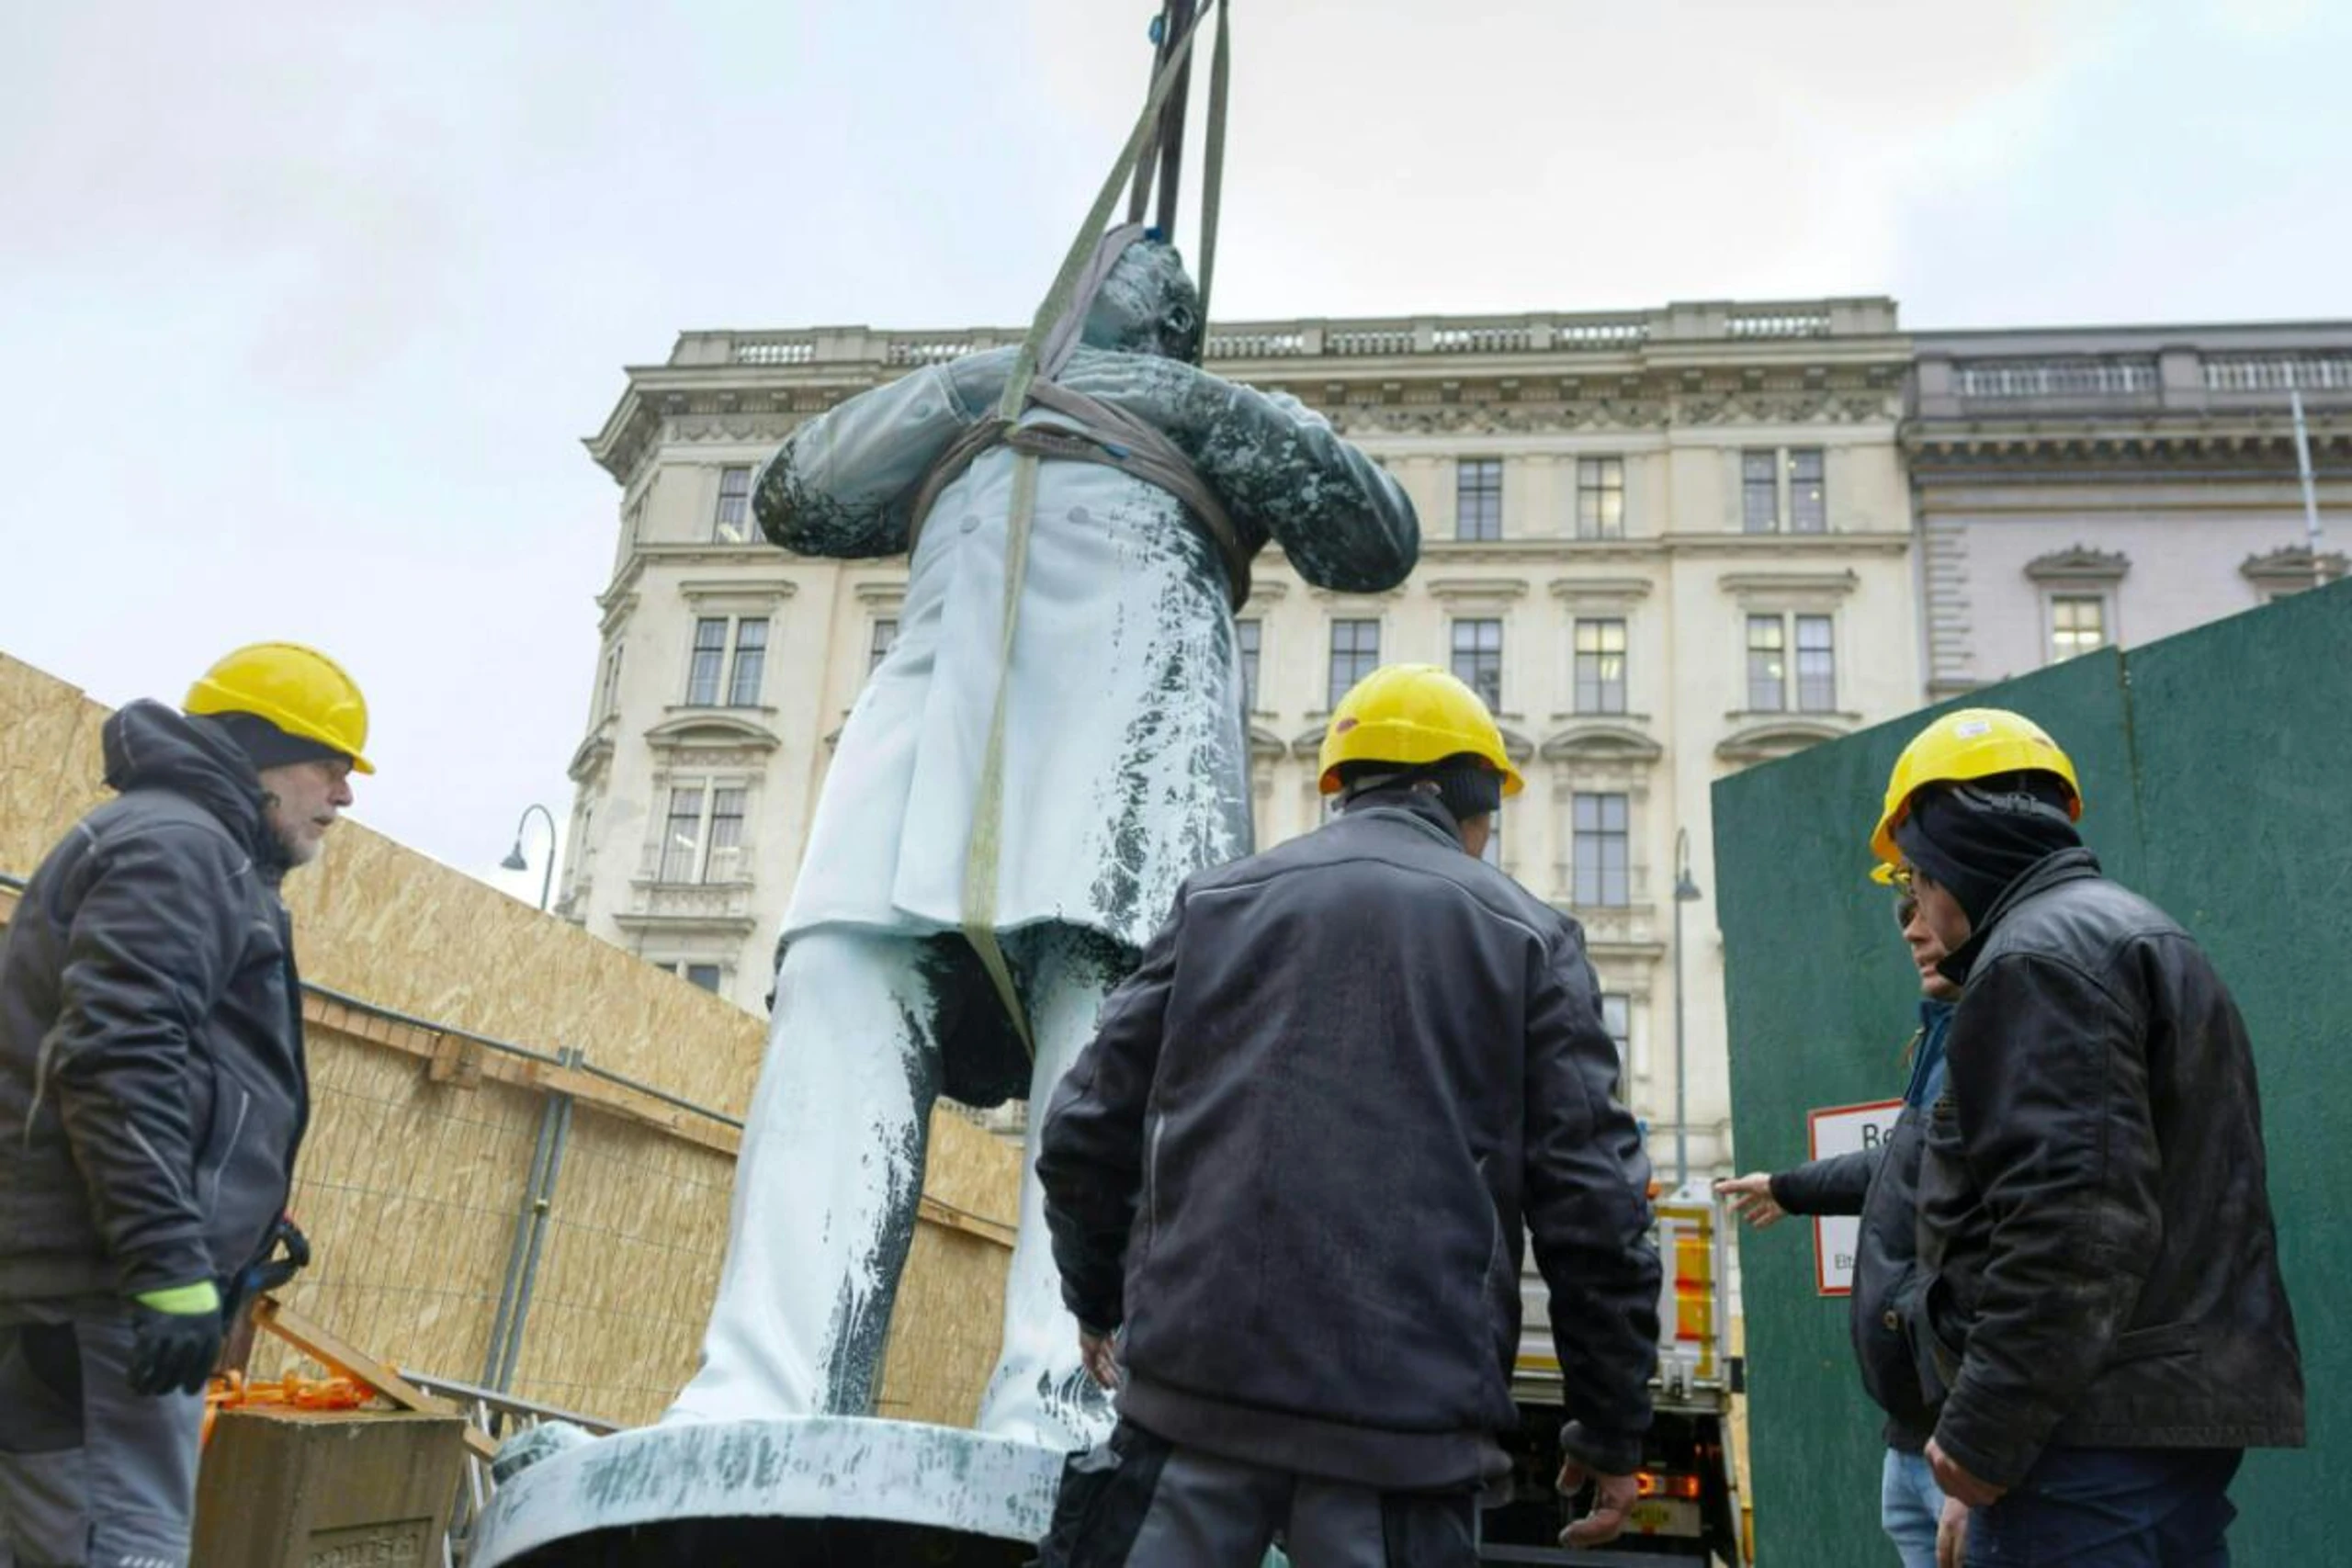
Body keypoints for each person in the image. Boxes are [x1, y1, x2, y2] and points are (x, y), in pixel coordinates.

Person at [664, 230, 1419, 1451]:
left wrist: (1185, 402)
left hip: (1130, 715)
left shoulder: (1208, 404)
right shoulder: (978, 390)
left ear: (1178, 326)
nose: (1127, 263)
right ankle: (764, 1395)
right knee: (838, 988)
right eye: (1110, 257)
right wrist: (984, 381)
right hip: (932, 714)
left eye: (1154, 273)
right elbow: (799, 491)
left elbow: (1374, 535)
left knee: (1114, 1036)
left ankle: (1070, 1404)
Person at [1031, 664, 1660, 1566]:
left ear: (1343, 786)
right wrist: (1608, 1427)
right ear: (1467, 797)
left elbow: (1084, 1128)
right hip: (1403, 1444)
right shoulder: (1529, 940)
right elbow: (1595, 1210)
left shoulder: (1215, 906)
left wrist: (1098, 1303)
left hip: (1190, 1406)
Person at [1871, 708, 2304, 1567]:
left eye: (1914, 878)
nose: (1914, 907)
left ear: (1956, 848)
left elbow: (2071, 1229)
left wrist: (1981, 1433)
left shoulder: (2036, 960)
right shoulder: (2139, 933)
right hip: (2150, 1423)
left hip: (2082, 1442)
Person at [0, 642, 365, 1568]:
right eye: (328, 764)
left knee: (60, 1533)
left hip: (93, 1271)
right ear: (258, 749)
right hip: (112, 1284)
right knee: (128, 1543)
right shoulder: (180, 849)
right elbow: (120, 1057)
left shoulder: (184, 847)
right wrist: (169, 1262)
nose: (343, 796)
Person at [1716, 882, 1957, 1568]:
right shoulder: (1942, 1045)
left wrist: (1975, 1443)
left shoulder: (1992, 1042)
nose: (1911, 929)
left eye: (1926, 902)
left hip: (1957, 1448)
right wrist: (1789, 1188)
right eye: (1904, 912)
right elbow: (1899, 1166)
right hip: (1915, 1441)